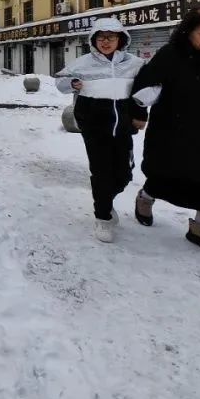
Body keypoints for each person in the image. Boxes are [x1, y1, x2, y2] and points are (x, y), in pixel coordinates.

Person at [130, 7, 200, 258]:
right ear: (188, 31)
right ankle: (145, 197)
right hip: (171, 129)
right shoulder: (170, 54)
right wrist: (139, 114)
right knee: (165, 175)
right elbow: (143, 83)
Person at [55, 18, 146, 243]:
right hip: (94, 126)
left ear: (120, 39)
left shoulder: (134, 63)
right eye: (101, 38)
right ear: (93, 40)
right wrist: (72, 83)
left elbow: (145, 88)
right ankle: (103, 217)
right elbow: (60, 82)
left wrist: (141, 114)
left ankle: (106, 200)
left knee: (124, 174)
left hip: (123, 127)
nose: (106, 42)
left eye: (111, 37)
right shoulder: (83, 63)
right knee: (102, 173)